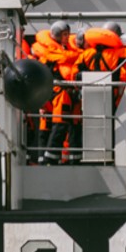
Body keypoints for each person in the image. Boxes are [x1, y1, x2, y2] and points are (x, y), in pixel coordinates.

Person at [30, 21, 81, 164]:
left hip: (62, 93)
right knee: (57, 125)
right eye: (64, 35)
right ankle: (48, 159)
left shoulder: (61, 49)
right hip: (56, 94)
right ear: (57, 36)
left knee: (67, 126)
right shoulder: (50, 51)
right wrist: (78, 54)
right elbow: (63, 58)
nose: (67, 37)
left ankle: (65, 159)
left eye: (68, 34)